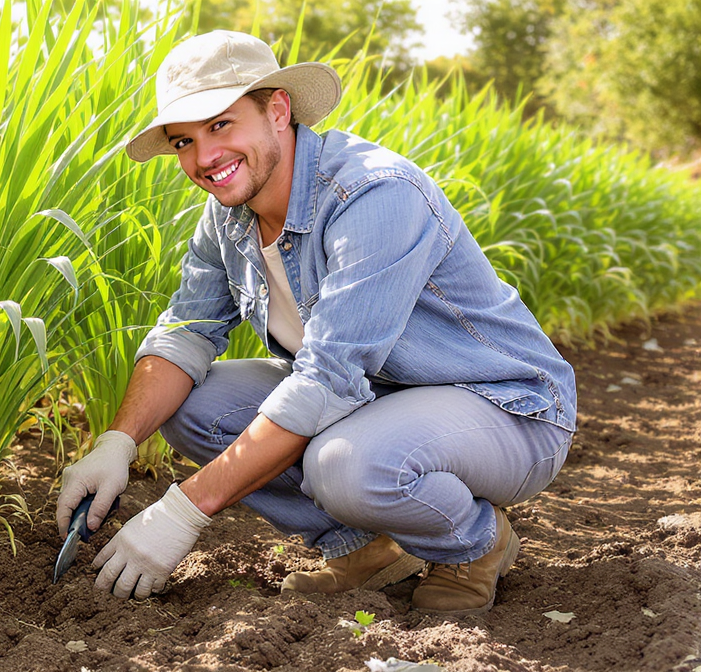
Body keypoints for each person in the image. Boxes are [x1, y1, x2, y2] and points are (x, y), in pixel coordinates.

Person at [55, 30, 577, 617]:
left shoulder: (374, 194)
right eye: (184, 141)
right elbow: (187, 330)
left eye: (221, 126)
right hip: (374, 404)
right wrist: (117, 443)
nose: (203, 159)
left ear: (277, 110)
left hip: (506, 408)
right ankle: (369, 550)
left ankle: (474, 545)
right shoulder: (228, 214)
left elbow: (328, 381)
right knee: (192, 403)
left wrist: (183, 511)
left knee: (350, 465)